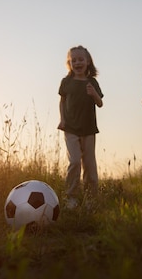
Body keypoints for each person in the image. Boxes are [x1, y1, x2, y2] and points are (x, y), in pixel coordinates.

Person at [58, 45, 104, 209]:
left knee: (90, 165)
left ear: (88, 61)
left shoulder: (92, 82)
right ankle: (71, 197)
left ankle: (91, 199)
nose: (77, 63)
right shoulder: (66, 82)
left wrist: (94, 94)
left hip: (89, 129)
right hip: (70, 128)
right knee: (75, 161)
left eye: (81, 59)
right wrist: (62, 120)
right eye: (74, 60)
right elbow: (62, 102)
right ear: (69, 63)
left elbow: (100, 103)